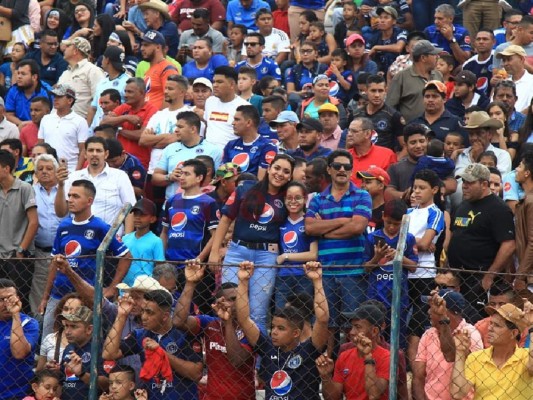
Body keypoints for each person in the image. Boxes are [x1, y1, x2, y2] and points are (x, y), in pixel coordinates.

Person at [208, 154, 295, 333]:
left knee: (257, 313)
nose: (280, 173)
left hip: (266, 256)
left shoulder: (289, 197)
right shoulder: (245, 188)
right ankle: (226, 355)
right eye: (277, 168)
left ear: (290, 177)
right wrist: (215, 251)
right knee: (228, 306)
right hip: (237, 251)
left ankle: (256, 360)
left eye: (286, 171)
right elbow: (225, 220)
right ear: (269, 168)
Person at [41, 178, 132, 337]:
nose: (70, 199)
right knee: (49, 340)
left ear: (89, 201)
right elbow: (54, 263)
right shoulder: (63, 226)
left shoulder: (100, 227)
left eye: (76, 196)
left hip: (84, 297)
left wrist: (111, 288)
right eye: (69, 195)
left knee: (80, 340)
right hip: (58, 295)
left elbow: (126, 256)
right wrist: (45, 297)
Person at [237, 260, 329, 399]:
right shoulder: (268, 348)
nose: (274, 332)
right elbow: (244, 319)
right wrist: (243, 281)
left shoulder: (309, 350)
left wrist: (317, 282)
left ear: (296, 333)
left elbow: (322, 319)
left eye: (281, 328)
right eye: (273, 327)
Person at [305, 149, 372, 332]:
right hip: (325, 273)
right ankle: (328, 360)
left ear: (351, 170)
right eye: (337, 166)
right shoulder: (318, 199)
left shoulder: (362, 195)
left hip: (354, 272)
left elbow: (357, 227)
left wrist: (324, 231)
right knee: (325, 325)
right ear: (329, 169)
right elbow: (310, 228)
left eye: (347, 166)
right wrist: (343, 221)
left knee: (355, 326)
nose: (342, 169)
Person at [173, 260, 256, 400]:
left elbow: (237, 360)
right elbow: (178, 321)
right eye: (231, 299)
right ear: (217, 303)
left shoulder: (252, 329)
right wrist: (190, 283)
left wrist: (228, 322)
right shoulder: (209, 323)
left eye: (239, 298)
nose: (236, 303)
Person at [103, 289, 203, 400]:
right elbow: (109, 354)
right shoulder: (140, 335)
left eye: (149, 312)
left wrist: (162, 353)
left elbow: (196, 373)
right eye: (143, 311)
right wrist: (121, 315)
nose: (143, 317)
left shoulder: (183, 333)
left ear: (165, 316)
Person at [447, 163, 516, 313]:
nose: (464, 186)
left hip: (479, 278)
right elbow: (454, 235)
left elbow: (509, 244)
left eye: (470, 182)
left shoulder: (498, 209)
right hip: (458, 276)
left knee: (476, 321)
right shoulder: (463, 205)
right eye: (463, 181)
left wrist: (489, 275)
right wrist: (450, 271)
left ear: (484, 184)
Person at [54, 136, 137, 232]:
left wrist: (127, 240)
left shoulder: (120, 176)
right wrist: (60, 185)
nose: (94, 154)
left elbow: (129, 210)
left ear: (106, 154)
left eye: (98, 151)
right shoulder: (73, 177)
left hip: (109, 240)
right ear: (85, 154)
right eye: (91, 150)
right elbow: (60, 213)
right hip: (79, 238)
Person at [451, 303, 533, 399]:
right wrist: (460, 352)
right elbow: (457, 393)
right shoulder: (476, 358)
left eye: (497, 325)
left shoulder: (526, 357)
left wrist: (532, 328)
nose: (490, 328)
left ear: (513, 333)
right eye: (491, 323)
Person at [316, 304, 391, 400]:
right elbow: (332, 398)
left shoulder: (387, 357)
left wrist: (368, 357)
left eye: (358, 327)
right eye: (352, 327)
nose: (351, 332)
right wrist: (325, 376)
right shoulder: (344, 356)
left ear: (374, 331)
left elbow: (374, 395)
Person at [160, 158, 218, 268]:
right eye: (181, 173)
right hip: (169, 265)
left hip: (193, 264)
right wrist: (162, 259)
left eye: (186, 174)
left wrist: (199, 259)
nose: (181, 177)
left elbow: (215, 236)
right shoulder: (172, 201)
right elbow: (164, 232)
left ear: (199, 178)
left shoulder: (208, 203)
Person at [152, 111, 221, 200]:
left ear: (193, 129)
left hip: (201, 205)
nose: (176, 130)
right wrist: (169, 177)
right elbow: (155, 178)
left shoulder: (214, 150)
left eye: (180, 127)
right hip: (172, 204)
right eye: (176, 126)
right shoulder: (170, 148)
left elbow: (217, 181)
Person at [275, 181, 318, 308]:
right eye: (289, 198)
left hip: (304, 276)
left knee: (303, 315)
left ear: (305, 199)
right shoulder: (279, 222)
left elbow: (313, 254)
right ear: (284, 199)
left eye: (298, 198)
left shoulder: (310, 223)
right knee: (280, 313)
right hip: (283, 276)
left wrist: (286, 256)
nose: (293, 201)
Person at [101, 78, 158, 170]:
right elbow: (103, 122)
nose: (126, 95)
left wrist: (119, 129)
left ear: (142, 93)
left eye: (130, 92)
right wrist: (126, 117)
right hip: (118, 162)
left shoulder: (152, 110)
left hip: (140, 163)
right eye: (125, 91)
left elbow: (141, 135)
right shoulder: (124, 107)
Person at [30, 154, 62, 316]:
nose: (44, 172)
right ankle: (38, 325)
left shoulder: (66, 190)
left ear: (57, 171)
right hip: (41, 252)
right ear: (35, 173)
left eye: (49, 168)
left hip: (64, 253)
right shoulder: (30, 191)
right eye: (40, 169)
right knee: (39, 291)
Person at [0, 278, 40, 400]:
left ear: (18, 298)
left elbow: (19, 353)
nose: (7, 304)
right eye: (2, 300)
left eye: (10, 298)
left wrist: (15, 314)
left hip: (18, 394)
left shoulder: (29, 323)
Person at [386, 40, 443, 123]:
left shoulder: (438, 75)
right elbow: (390, 107)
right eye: (434, 54)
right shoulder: (401, 77)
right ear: (423, 58)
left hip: (436, 127)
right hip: (411, 131)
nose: (437, 57)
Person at [59, 305, 109, 399]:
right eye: (66, 326)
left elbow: (107, 383)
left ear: (89, 329)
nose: (67, 332)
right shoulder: (68, 348)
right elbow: (61, 381)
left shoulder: (101, 349)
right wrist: (54, 371)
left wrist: (82, 374)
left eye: (73, 326)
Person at [38, 84, 89, 172]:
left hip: (70, 169)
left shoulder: (80, 121)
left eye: (59, 96)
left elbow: (83, 150)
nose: (55, 99)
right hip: (48, 169)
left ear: (70, 100)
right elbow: (41, 145)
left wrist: (77, 172)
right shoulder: (46, 119)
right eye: (54, 96)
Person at [353, 74, 405, 152]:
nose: (377, 95)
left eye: (380, 91)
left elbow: (405, 146)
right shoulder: (355, 115)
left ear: (386, 91)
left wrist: (394, 162)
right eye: (373, 91)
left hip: (384, 162)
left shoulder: (394, 115)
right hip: (360, 160)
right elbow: (349, 142)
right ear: (366, 91)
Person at [222, 105, 277, 178]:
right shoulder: (230, 145)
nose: (233, 123)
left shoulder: (267, 146)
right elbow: (223, 175)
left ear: (248, 122)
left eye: (237, 119)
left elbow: (261, 181)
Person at [57, 37, 105, 119]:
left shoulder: (93, 70)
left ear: (75, 51)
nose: (65, 48)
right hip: (59, 123)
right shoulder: (65, 73)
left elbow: (100, 101)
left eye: (68, 46)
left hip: (82, 123)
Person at [121, 199, 165, 287]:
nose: (137, 217)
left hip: (145, 288)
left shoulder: (156, 241)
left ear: (152, 219)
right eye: (135, 214)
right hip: (124, 288)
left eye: (142, 215)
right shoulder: (125, 239)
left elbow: (160, 268)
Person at [204, 66, 250, 147]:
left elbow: (247, 135)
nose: (214, 85)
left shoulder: (244, 106)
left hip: (230, 153)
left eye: (219, 82)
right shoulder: (209, 101)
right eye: (214, 81)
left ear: (232, 84)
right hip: (208, 152)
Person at [87, 46, 130, 131]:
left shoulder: (127, 82)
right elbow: (93, 108)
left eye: (103, 58)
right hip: (96, 130)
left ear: (107, 60)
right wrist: (87, 130)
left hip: (113, 131)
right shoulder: (102, 82)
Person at [347, 117, 397, 187]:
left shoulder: (387, 155)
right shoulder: (344, 157)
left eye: (354, 131)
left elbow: (390, 186)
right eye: (349, 131)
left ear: (367, 134)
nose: (349, 134)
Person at [5, 60, 53, 129]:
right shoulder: (13, 90)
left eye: (23, 74)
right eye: (18, 73)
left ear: (34, 77)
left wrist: (29, 126)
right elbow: (9, 115)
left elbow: (51, 116)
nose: (19, 77)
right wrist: (22, 124)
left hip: (41, 127)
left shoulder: (46, 92)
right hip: (18, 127)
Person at [513, 152, 533, 291]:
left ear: (527, 173)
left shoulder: (531, 201)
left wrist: (521, 275)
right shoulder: (527, 199)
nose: (516, 169)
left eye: (519, 166)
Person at [496, 44, 533, 113]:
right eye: (504, 60)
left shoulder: (531, 81)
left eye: (509, 59)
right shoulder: (503, 83)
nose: (505, 64)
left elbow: (531, 108)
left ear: (521, 59)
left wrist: (516, 119)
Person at [462, 29, 496, 97]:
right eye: (478, 39)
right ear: (474, 42)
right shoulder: (467, 65)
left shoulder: (499, 58)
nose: (481, 42)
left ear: (493, 42)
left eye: (485, 39)